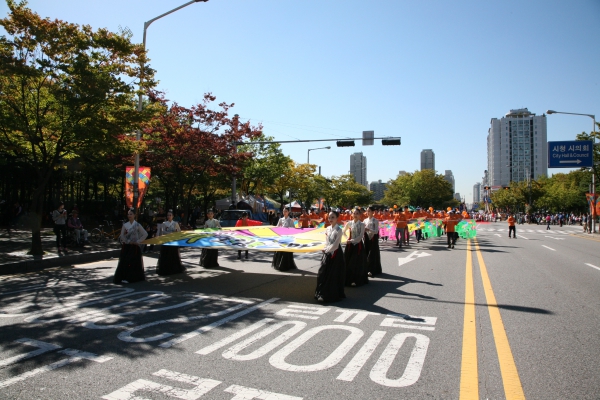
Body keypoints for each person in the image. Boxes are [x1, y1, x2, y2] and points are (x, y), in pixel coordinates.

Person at [314, 211, 346, 302]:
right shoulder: (327, 228)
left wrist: (327, 250)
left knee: (333, 274)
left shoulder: (339, 230)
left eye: (333, 217)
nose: (330, 219)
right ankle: (321, 292)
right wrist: (325, 248)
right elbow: (327, 241)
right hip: (327, 252)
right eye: (329, 217)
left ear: (337, 218)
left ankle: (329, 294)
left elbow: (336, 245)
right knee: (322, 273)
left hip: (336, 254)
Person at [114, 209, 148, 284]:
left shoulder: (137, 225)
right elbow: (122, 235)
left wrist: (138, 241)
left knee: (133, 263)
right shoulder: (125, 225)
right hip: (127, 246)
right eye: (128, 214)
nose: (129, 215)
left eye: (131, 214)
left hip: (135, 246)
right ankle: (124, 277)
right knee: (125, 261)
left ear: (134, 215)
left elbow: (145, 234)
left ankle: (132, 278)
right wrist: (128, 241)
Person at [343, 208, 369, 287]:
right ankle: (348, 279)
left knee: (357, 263)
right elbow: (343, 232)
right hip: (350, 245)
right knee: (348, 262)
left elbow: (361, 236)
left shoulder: (361, 224)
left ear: (360, 215)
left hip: (358, 245)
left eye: (357, 213)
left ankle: (356, 279)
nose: (355, 215)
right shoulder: (349, 223)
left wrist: (352, 240)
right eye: (354, 213)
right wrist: (347, 238)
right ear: (352, 214)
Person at [156, 210, 185, 276]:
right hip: (166, 241)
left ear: (173, 216)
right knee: (166, 256)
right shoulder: (164, 223)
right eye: (168, 215)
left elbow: (179, 232)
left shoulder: (175, 223)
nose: (169, 216)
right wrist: (170, 233)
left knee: (173, 255)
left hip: (173, 241)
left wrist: (176, 232)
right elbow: (163, 232)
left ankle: (174, 268)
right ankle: (166, 269)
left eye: (170, 215)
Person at [364, 206, 382, 277]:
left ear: (372, 212)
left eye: (369, 211)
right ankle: (366, 269)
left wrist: (369, 229)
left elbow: (376, 231)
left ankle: (372, 270)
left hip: (373, 238)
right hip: (366, 238)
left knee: (372, 254)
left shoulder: (375, 220)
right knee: (366, 253)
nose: (367, 212)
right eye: (367, 211)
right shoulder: (365, 220)